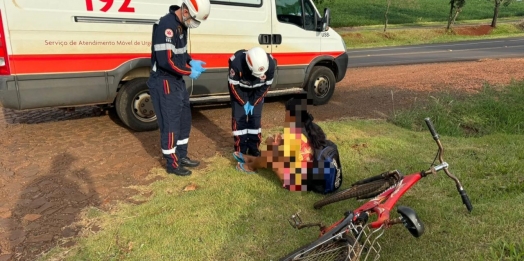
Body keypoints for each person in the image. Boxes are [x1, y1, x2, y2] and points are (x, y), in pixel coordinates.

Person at [146, 0, 211, 176]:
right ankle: (172, 164)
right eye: (193, 19)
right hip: (164, 81)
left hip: (176, 81)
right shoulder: (167, 26)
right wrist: (188, 71)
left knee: (184, 120)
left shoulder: (182, 25)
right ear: (184, 10)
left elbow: (179, 52)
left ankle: (182, 156)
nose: (193, 24)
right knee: (171, 124)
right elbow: (166, 61)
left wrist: (190, 60)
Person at [232, 93, 341, 193]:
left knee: (270, 156)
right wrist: (280, 141)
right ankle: (253, 159)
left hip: (298, 182)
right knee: (273, 153)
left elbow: (281, 158)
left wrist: (272, 144)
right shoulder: (311, 127)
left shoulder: (293, 135)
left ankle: (251, 166)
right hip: (310, 173)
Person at [228, 46, 276, 157]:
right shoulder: (236, 63)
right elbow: (233, 87)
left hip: (257, 92)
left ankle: (254, 148)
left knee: (255, 119)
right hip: (240, 90)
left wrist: (254, 101)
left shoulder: (271, 64)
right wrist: (243, 102)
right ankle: (241, 150)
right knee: (239, 120)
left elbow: (266, 86)